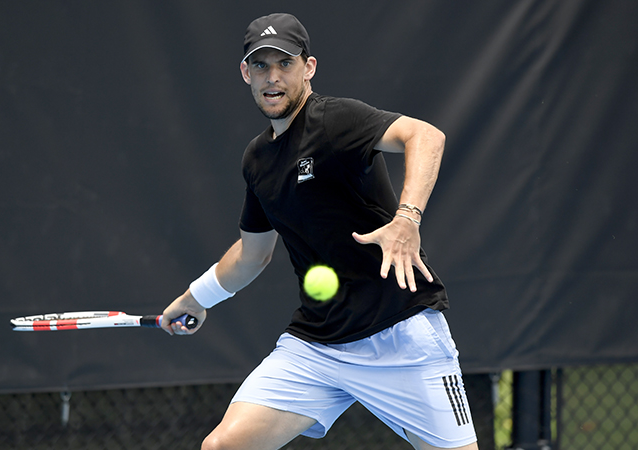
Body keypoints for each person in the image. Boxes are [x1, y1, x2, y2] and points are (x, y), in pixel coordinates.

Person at [162, 12, 479, 450]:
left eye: (285, 64)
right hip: (319, 344)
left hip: (401, 333)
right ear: (245, 74)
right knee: (222, 447)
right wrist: (195, 298)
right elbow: (252, 255)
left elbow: (426, 136)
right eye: (260, 66)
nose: (273, 77)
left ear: (308, 68)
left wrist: (407, 219)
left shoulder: (334, 120)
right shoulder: (257, 160)